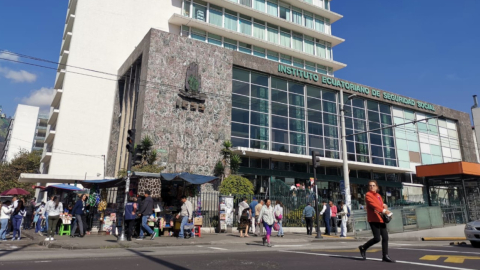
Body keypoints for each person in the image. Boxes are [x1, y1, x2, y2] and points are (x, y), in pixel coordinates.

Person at [359, 180, 395, 263]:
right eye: (370, 185)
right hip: (373, 219)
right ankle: (363, 247)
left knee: (385, 237)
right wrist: (384, 211)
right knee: (377, 238)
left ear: (376, 187)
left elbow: (381, 205)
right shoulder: (368, 195)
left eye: (373, 185)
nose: (371, 186)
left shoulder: (378, 195)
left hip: (381, 218)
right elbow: (374, 205)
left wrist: (387, 210)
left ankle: (385, 256)